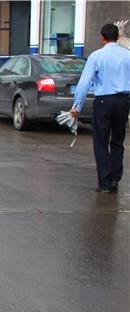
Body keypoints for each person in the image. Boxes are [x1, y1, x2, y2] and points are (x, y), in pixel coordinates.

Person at [71, 23, 130, 193]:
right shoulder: (128, 55)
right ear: (118, 37)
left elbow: (84, 83)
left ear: (102, 38)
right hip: (124, 101)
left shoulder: (97, 56)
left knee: (101, 142)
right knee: (118, 141)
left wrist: (77, 106)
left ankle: (105, 183)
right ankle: (115, 179)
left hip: (104, 102)